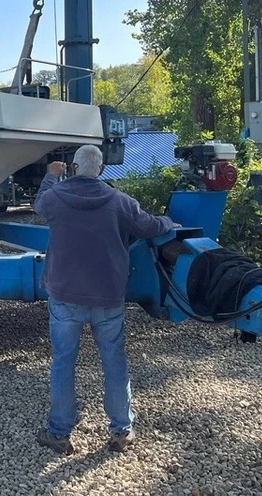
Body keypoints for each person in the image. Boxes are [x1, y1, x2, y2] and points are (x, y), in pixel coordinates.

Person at [33, 144, 177, 456]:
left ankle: (58, 433)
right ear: (100, 169)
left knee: (63, 363)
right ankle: (121, 431)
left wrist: (49, 177)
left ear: (73, 167)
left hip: (65, 294)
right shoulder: (120, 202)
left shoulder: (55, 197)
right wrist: (170, 223)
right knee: (114, 361)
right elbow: (151, 226)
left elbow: (39, 204)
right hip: (108, 295)